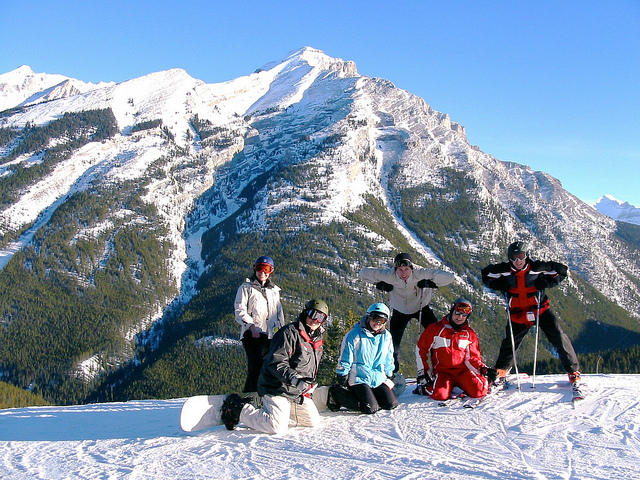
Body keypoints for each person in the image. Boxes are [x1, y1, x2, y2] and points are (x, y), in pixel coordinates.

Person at [221, 299, 328, 434]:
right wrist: (295, 380)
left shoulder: (317, 341)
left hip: (295, 392)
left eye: (321, 317)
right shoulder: (289, 332)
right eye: (313, 314)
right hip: (276, 387)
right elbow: (276, 362)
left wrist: (306, 385)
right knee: (276, 427)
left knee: (312, 421)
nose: (315, 320)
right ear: (305, 312)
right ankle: (237, 408)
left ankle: (279, 410)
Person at [481, 241, 581, 385]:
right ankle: (501, 369)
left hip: (540, 309)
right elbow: (486, 274)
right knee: (510, 342)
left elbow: (562, 270)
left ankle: (573, 371)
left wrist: (547, 282)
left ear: (526, 256)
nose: (518, 261)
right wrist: (497, 285)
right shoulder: (503, 269)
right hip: (518, 312)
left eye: (521, 257)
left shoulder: (537, 267)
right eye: (514, 257)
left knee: (558, 336)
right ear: (509, 257)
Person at [359, 252, 455, 372]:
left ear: (412, 267)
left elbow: (450, 277)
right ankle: (392, 369)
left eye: (406, 269)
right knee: (392, 341)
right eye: (400, 270)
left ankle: (444, 363)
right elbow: (363, 273)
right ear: (395, 269)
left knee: (438, 334)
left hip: (421, 308)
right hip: (400, 311)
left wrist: (431, 283)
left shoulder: (420, 273)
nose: (403, 273)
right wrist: (378, 284)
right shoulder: (390, 275)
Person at [328, 303, 399, 414]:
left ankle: (371, 396)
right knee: (369, 408)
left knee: (390, 404)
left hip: (378, 377)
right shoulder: (354, 335)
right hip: (359, 377)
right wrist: (342, 374)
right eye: (376, 318)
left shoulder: (386, 336)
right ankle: (336, 392)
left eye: (382, 321)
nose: (378, 323)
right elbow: (346, 357)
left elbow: (389, 356)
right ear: (369, 316)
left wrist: (389, 373)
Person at [414, 298, 491, 400]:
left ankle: (482, 381)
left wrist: (483, 369)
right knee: (440, 395)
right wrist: (422, 373)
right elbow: (421, 350)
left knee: (479, 392)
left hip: (463, 371)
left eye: (464, 315)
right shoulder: (435, 329)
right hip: (443, 372)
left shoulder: (469, 334)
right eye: (457, 313)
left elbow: (473, 358)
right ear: (451, 311)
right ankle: (426, 388)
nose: (460, 317)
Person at [234, 255, 285, 393]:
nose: (262, 272)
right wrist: (251, 326)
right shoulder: (246, 288)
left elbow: (279, 313)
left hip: (269, 336)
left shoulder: (274, 291)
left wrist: (282, 332)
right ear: (255, 269)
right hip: (253, 334)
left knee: (268, 367)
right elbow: (239, 310)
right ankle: (249, 397)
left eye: (266, 269)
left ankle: (263, 395)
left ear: (271, 271)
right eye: (259, 268)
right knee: (256, 367)